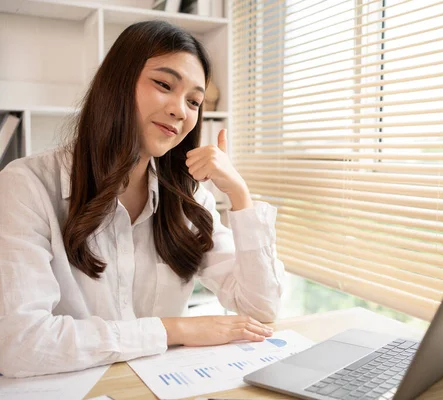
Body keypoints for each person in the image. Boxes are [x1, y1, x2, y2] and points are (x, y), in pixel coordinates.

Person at [0, 20, 285, 378]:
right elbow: (20, 345)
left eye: (194, 101)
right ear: (115, 84)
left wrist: (240, 197)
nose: (181, 111)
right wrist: (172, 330)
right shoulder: (27, 185)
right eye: (164, 85)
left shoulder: (188, 198)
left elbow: (259, 310)